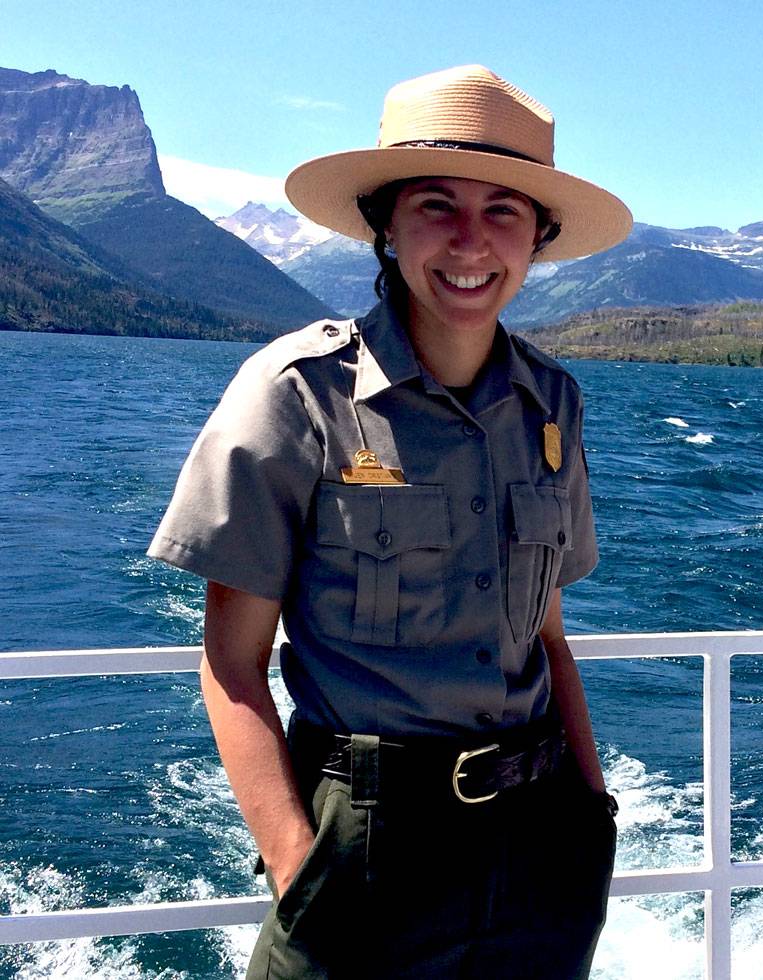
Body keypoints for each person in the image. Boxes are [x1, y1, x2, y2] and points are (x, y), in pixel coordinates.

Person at [148, 64, 632, 979]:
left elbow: (550, 640)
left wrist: (590, 819)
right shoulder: (298, 396)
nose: (469, 240)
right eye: (436, 204)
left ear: (537, 239)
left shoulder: (552, 406)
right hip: (365, 846)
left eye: (504, 211)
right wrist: (299, 867)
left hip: (540, 848)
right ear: (385, 222)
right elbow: (232, 663)